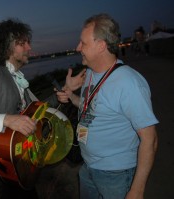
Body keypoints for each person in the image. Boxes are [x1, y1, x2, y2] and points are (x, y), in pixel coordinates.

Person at [0, 18, 85, 199]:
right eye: (22, 43)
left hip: (22, 160)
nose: (29, 48)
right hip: (1, 167)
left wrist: (66, 90)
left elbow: (37, 111)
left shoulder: (17, 78)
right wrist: (8, 119)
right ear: (8, 46)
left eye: (28, 42)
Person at [57, 13, 158, 199]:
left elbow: (150, 139)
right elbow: (91, 107)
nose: (78, 47)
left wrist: (137, 190)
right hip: (88, 168)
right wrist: (71, 95)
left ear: (101, 46)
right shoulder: (89, 73)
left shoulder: (128, 83)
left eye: (83, 43)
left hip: (116, 175)